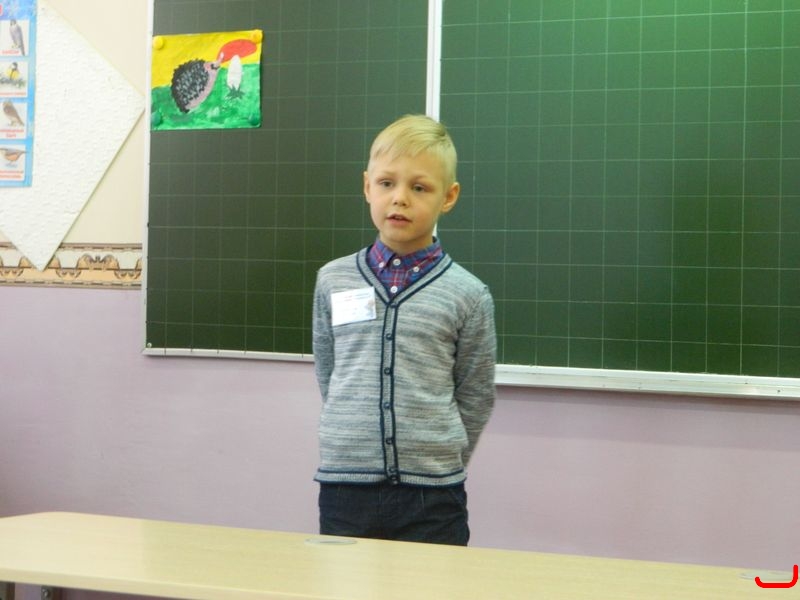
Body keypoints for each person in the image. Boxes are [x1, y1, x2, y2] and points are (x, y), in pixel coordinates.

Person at [311, 114, 497, 546]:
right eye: (386, 183)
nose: (399, 198)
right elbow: (330, 372)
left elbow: (475, 393)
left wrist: (439, 456)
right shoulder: (333, 280)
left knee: (432, 581)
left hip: (432, 495)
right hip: (346, 485)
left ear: (448, 197)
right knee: (343, 581)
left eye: (419, 187)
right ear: (367, 187)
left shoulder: (468, 294)